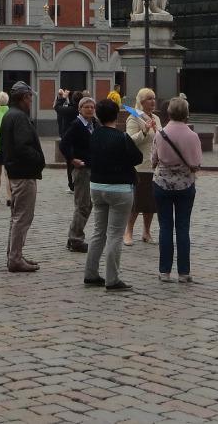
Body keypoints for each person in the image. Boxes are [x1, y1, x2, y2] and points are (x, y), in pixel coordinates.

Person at [83, 98, 143, 291]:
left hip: (97, 186)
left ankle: (91, 274)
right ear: (116, 116)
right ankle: (112, 279)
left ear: (98, 116)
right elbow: (137, 158)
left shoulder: (92, 135)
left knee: (98, 232)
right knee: (115, 234)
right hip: (119, 189)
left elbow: (87, 157)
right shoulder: (122, 138)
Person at [153, 96, 202, 283]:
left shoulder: (160, 133)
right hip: (185, 185)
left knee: (165, 227)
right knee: (183, 227)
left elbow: (153, 160)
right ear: (186, 113)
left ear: (169, 112)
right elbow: (196, 163)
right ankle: (184, 272)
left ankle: (164, 271)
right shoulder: (192, 136)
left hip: (162, 184)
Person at [0, 81, 44, 273]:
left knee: (17, 217)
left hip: (16, 171)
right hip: (24, 172)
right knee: (22, 217)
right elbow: (23, 146)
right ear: (24, 98)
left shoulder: (10, 115)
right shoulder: (19, 117)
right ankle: (15, 258)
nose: (31, 100)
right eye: (29, 97)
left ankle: (14, 254)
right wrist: (38, 160)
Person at [59, 95, 97, 253]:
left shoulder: (94, 124)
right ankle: (75, 239)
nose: (89, 109)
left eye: (92, 107)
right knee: (82, 205)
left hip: (92, 168)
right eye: (86, 107)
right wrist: (72, 159)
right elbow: (64, 144)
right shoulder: (76, 125)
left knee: (88, 205)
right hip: (82, 170)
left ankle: (74, 237)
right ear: (80, 109)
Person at [124, 88, 160, 246]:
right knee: (136, 202)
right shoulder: (134, 118)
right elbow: (130, 141)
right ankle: (128, 232)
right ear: (141, 101)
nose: (153, 101)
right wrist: (144, 130)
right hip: (140, 166)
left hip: (155, 166)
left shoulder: (157, 118)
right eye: (149, 99)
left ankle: (146, 232)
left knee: (150, 203)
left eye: (154, 98)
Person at [55, 89, 77, 193]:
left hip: (69, 140)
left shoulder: (70, 110)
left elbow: (57, 107)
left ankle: (72, 185)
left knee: (70, 163)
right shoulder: (83, 110)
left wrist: (63, 98)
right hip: (80, 142)